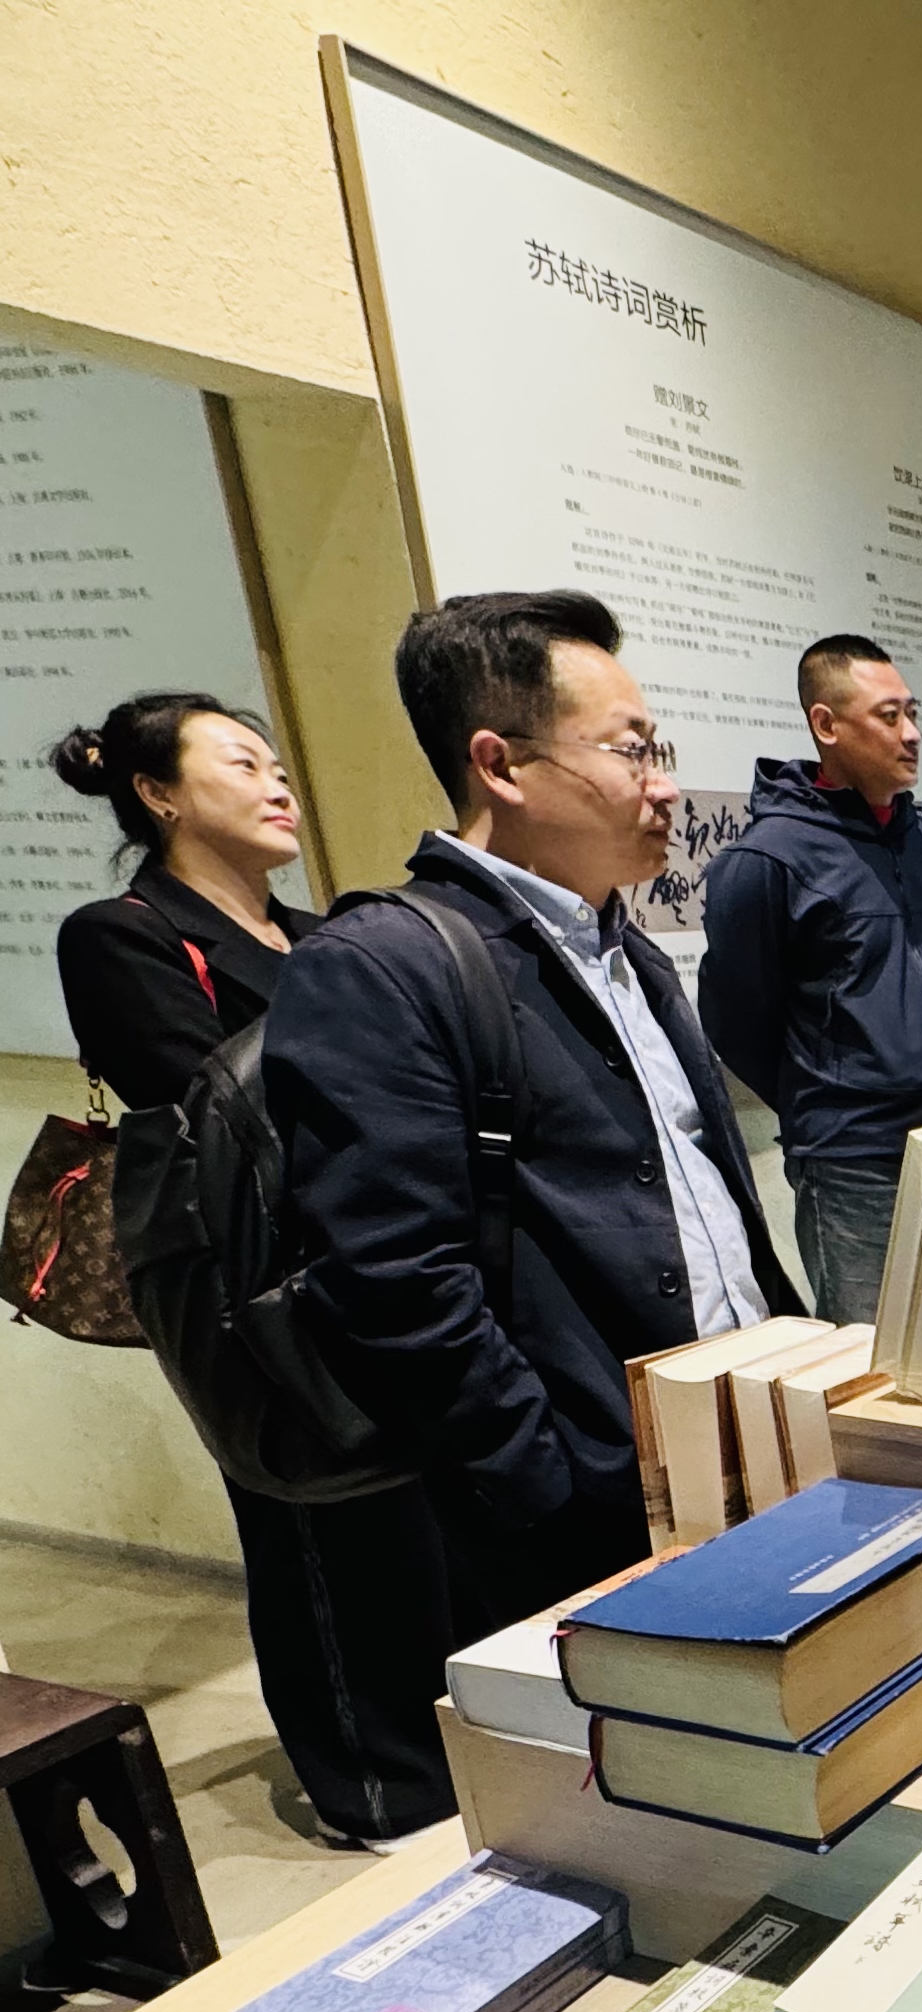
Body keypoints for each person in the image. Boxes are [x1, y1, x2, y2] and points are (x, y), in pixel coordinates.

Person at [265, 590, 802, 1640]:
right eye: (633, 751)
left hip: (732, 1457)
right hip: (588, 1508)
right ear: (500, 765)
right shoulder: (382, 967)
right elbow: (391, 1282)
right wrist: (546, 1479)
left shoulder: (626, 952)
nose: (663, 785)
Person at [49, 694, 458, 1848]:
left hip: (372, 1258)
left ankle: (448, 1754)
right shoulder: (121, 934)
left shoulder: (320, 933)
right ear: (158, 795)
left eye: (278, 762)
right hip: (253, 1290)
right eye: (240, 762)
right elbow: (210, 1097)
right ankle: (373, 1789)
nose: (277, 781)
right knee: (314, 1520)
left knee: (415, 1521)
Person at [700, 634, 922, 1324]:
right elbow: (736, 1020)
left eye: (912, 713)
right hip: (854, 1162)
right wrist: (829, 1091)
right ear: (826, 724)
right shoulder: (769, 859)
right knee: (869, 1355)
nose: (912, 734)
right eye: (889, 716)